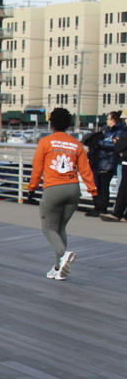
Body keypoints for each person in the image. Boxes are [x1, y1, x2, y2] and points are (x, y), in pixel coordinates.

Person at [27, 108, 97, 280]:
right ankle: (59, 267)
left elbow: (37, 168)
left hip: (53, 188)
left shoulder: (46, 142)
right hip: (73, 189)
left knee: (48, 229)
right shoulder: (76, 144)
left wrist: (31, 188)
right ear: (68, 124)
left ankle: (64, 254)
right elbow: (85, 169)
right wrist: (93, 191)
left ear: (51, 124)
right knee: (60, 228)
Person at [85, 111, 125, 217]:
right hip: (100, 161)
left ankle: (103, 209)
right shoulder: (106, 131)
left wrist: (99, 143)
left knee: (104, 186)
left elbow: (115, 146)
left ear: (113, 120)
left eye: (108, 119)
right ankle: (98, 207)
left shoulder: (119, 132)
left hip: (109, 162)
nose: (106, 121)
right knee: (98, 186)